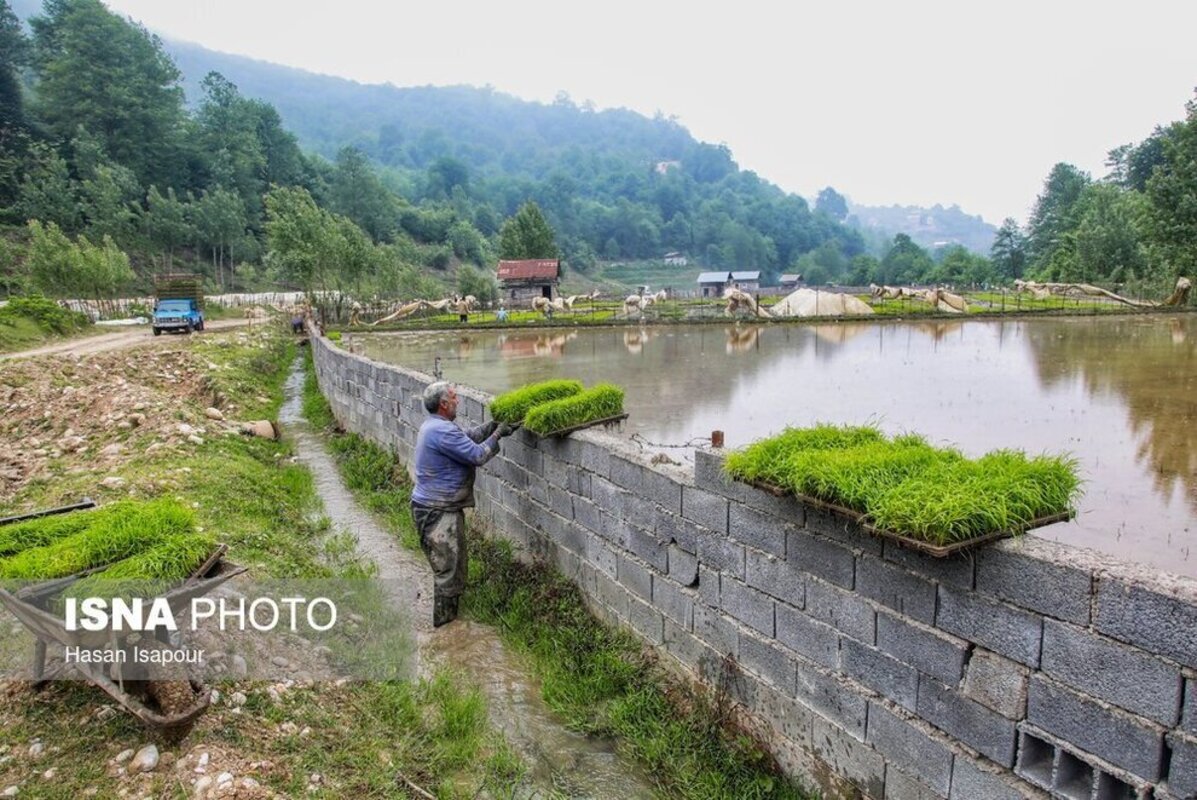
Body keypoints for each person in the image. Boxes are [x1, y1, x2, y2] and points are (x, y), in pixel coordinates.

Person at [411, 382, 518, 626]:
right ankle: (446, 630)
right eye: (454, 397)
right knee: (447, 570)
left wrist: (492, 427)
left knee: (451, 566)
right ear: (444, 404)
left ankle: (450, 622)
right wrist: (498, 434)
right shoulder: (442, 431)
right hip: (437, 510)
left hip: (437, 507)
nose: (458, 401)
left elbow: (468, 438)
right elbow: (477, 455)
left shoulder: (437, 426)